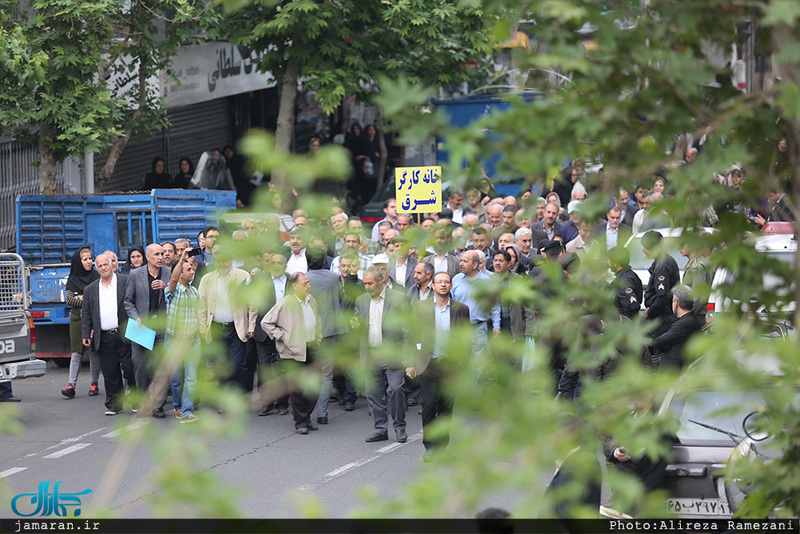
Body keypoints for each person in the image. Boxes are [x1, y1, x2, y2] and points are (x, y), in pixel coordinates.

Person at [405, 272, 470, 454]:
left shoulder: (461, 309)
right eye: (439, 282)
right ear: (432, 285)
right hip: (428, 363)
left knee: (446, 407)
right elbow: (412, 335)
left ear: (451, 286)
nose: (443, 284)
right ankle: (430, 446)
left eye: (446, 282)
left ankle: (442, 446)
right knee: (429, 404)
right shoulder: (420, 307)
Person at [353, 267, 410, 443]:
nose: (367, 287)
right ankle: (380, 429)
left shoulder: (399, 298)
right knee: (373, 393)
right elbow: (358, 324)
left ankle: (400, 427)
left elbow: (409, 329)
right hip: (370, 353)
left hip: (392, 353)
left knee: (395, 389)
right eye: (364, 283)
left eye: (370, 283)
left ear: (380, 281)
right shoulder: (361, 300)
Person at [261, 273, 323, 435]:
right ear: (294, 286)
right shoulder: (285, 303)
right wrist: (282, 336)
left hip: (312, 348)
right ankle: (300, 421)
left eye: (308, 283)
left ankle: (307, 416)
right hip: (292, 350)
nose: (308, 286)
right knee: (296, 388)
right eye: (305, 283)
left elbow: (318, 319)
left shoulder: (311, 300)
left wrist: (319, 337)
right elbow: (266, 322)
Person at [197, 246, 257, 393]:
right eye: (219, 261)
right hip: (216, 328)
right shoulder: (207, 279)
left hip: (237, 327)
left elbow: (252, 303)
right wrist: (203, 328)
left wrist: (251, 326)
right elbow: (201, 305)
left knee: (238, 364)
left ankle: (242, 396)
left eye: (226, 261)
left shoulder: (242, 276)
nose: (223, 264)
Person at [80, 253, 134, 415]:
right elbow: (87, 314)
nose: (103, 268)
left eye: (106, 264)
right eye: (100, 266)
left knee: (130, 369)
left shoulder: (125, 282)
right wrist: (85, 334)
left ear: (112, 265)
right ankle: (113, 404)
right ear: (96, 268)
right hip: (104, 336)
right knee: (110, 372)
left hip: (126, 333)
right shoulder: (90, 289)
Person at [123, 243, 171, 418]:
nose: (161, 257)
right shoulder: (136, 274)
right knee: (140, 367)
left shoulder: (168, 273)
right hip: (140, 326)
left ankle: (158, 406)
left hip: (161, 327)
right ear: (148, 257)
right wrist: (136, 317)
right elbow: (128, 301)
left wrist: (166, 287)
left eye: (163, 254)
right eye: (157, 254)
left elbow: (177, 294)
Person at [306, 248, 347, 425]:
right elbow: (341, 296)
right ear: (324, 261)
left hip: (309, 332)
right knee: (326, 373)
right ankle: (323, 413)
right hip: (330, 330)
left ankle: (306, 411)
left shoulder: (303, 278)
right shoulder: (332, 277)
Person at [164, 249, 201, 423]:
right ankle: (178, 406)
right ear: (180, 274)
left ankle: (187, 411)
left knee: (192, 377)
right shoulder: (172, 290)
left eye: (193, 269)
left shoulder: (194, 292)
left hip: (193, 340)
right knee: (177, 378)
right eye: (188, 270)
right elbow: (172, 278)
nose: (192, 271)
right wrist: (182, 260)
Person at [61, 247, 101, 399]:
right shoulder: (73, 278)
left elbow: (97, 297)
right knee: (76, 352)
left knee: (93, 353)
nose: (89, 262)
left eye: (90, 258)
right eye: (85, 259)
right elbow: (69, 299)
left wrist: (81, 297)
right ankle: (71, 385)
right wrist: (84, 298)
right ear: (79, 262)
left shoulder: (96, 276)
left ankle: (94, 383)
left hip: (93, 319)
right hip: (77, 320)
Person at [451, 251, 500, 372]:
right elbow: (450, 303)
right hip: (459, 328)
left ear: (475, 265)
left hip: (478, 328)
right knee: (460, 362)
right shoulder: (456, 279)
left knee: (478, 364)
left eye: (465, 261)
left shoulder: (487, 281)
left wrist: (496, 326)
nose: (461, 263)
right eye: (461, 260)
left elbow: (495, 305)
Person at [642, 231, 680, 345]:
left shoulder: (663, 265)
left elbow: (662, 297)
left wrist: (651, 312)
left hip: (663, 319)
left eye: (646, 248)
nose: (643, 251)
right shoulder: (661, 262)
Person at [653, 286, 702, 370]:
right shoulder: (693, 320)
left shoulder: (682, 324)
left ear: (676, 303)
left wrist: (666, 342)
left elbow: (659, 342)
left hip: (673, 371)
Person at [608, 246, 642, 319]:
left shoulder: (624, 280)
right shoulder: (629, 275)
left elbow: (631, 305)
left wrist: (622, 320)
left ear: (615, 263)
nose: (607, 262)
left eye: (609, 260)